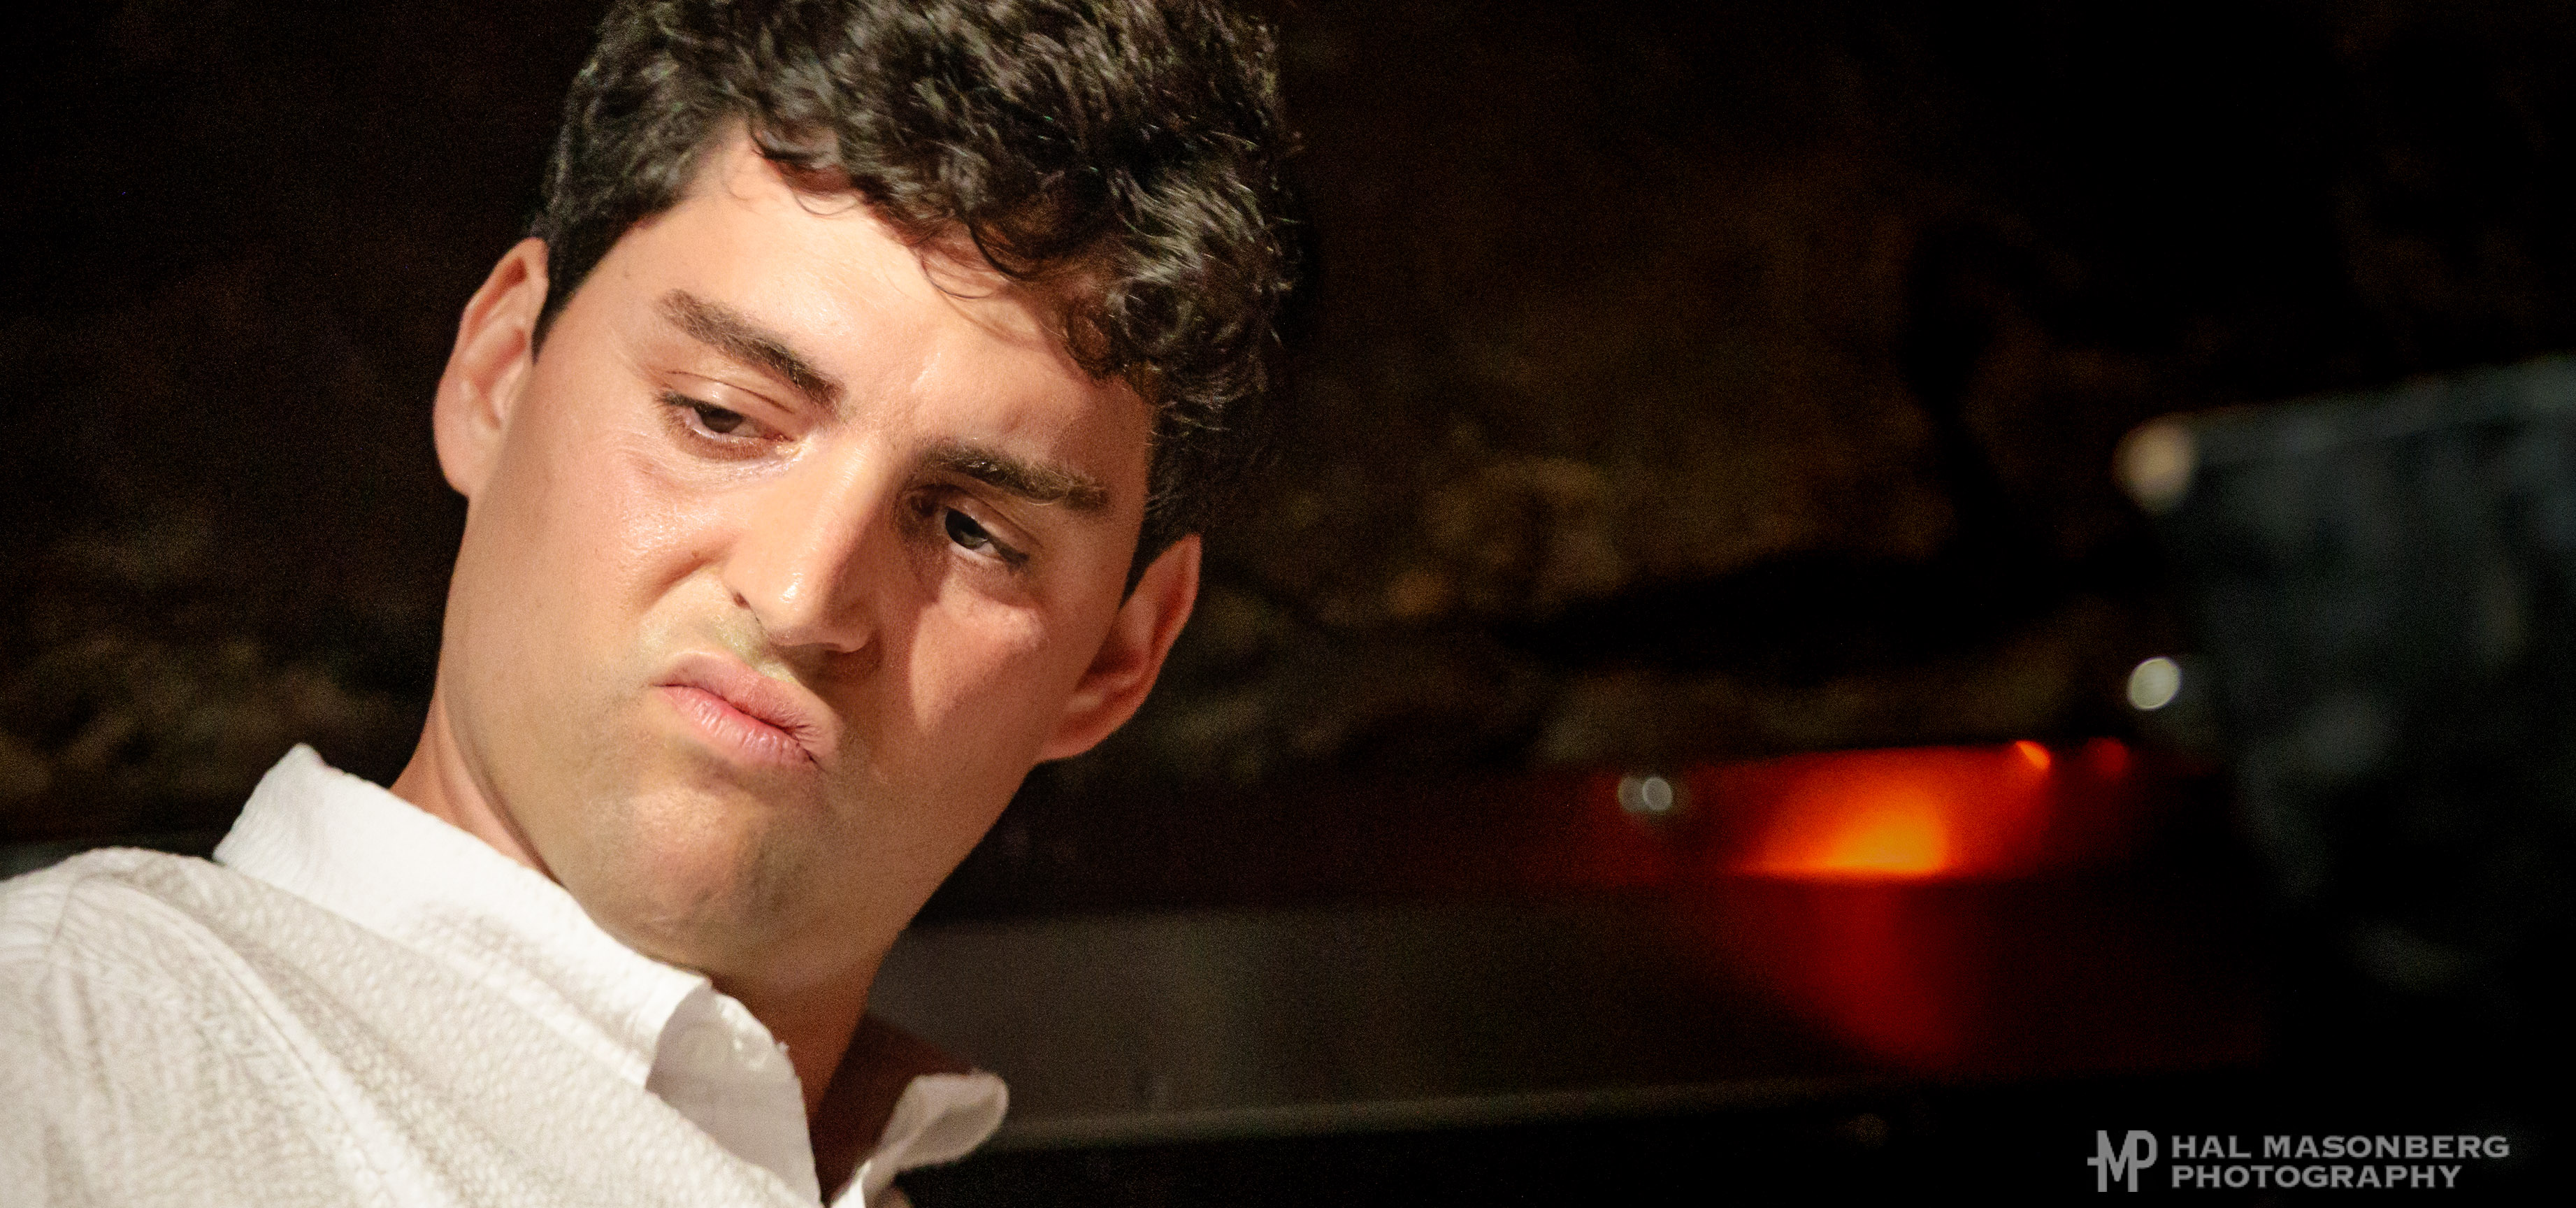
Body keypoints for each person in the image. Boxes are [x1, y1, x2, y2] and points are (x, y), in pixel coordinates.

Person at [0, 1, 1301, 1203]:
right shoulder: (72, 1052)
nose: (799, 595)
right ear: (497, 376)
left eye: (971, 531)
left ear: (1114, 659)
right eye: (721, 416)